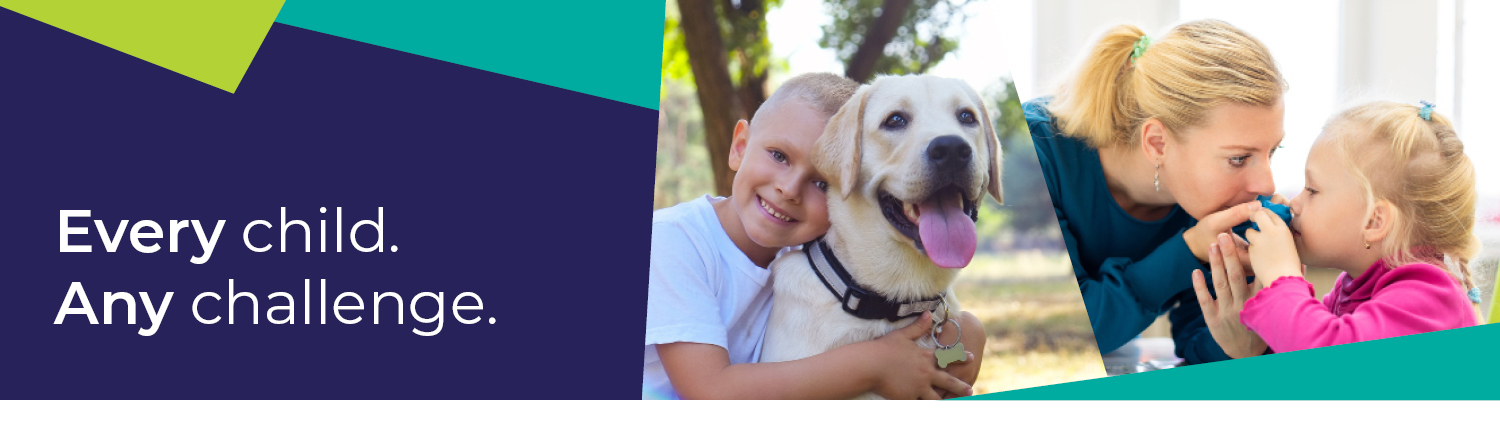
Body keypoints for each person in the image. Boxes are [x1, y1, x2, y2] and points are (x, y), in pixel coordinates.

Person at [644, 72, 983, 399]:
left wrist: (967, 330)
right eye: (779, 156)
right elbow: (709, 391)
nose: (789, 190)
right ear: (740, 146)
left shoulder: (808, 252)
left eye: (821, 183)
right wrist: (875, 364)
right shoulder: (671, 240)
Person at [1024, 19, 1288, 364]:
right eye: (1239, 158)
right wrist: (1190, 250)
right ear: (1158, 143)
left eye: (1272, 152)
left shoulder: (1219, 198)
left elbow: (1198, 337)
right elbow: (1058, 331)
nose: (1266, 185)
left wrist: (1244, 339)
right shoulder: (1038, 151)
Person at [1194, 101, 1481, 352]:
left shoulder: (1428, 297)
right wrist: (1252, 350)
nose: (1294, 204)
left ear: (1374, 221)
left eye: (1312, 190)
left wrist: (1282, 277)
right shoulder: (1355, 288)